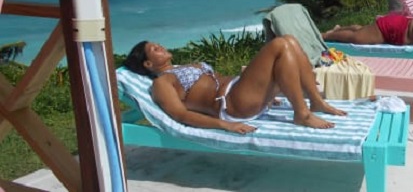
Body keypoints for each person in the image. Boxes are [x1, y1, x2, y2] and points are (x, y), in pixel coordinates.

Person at [122, 35, 347, 134]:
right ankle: (302, 114)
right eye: (154, 49)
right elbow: (181, 116)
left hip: (240, 89)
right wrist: (225, 126)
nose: (160, 46)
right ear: (149, 63)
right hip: (233, 104)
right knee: (280, 44)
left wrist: (260, 88)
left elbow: (216, 79)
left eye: (157, 44)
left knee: (290, 41)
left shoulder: (180, 67)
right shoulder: (162, 83)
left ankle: (316, 102)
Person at [322, 12, 413, 53]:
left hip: (396, 30)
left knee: (361, 31)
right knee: (357, 38)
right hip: (392, 29)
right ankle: (326, 35)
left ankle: (338, 29)